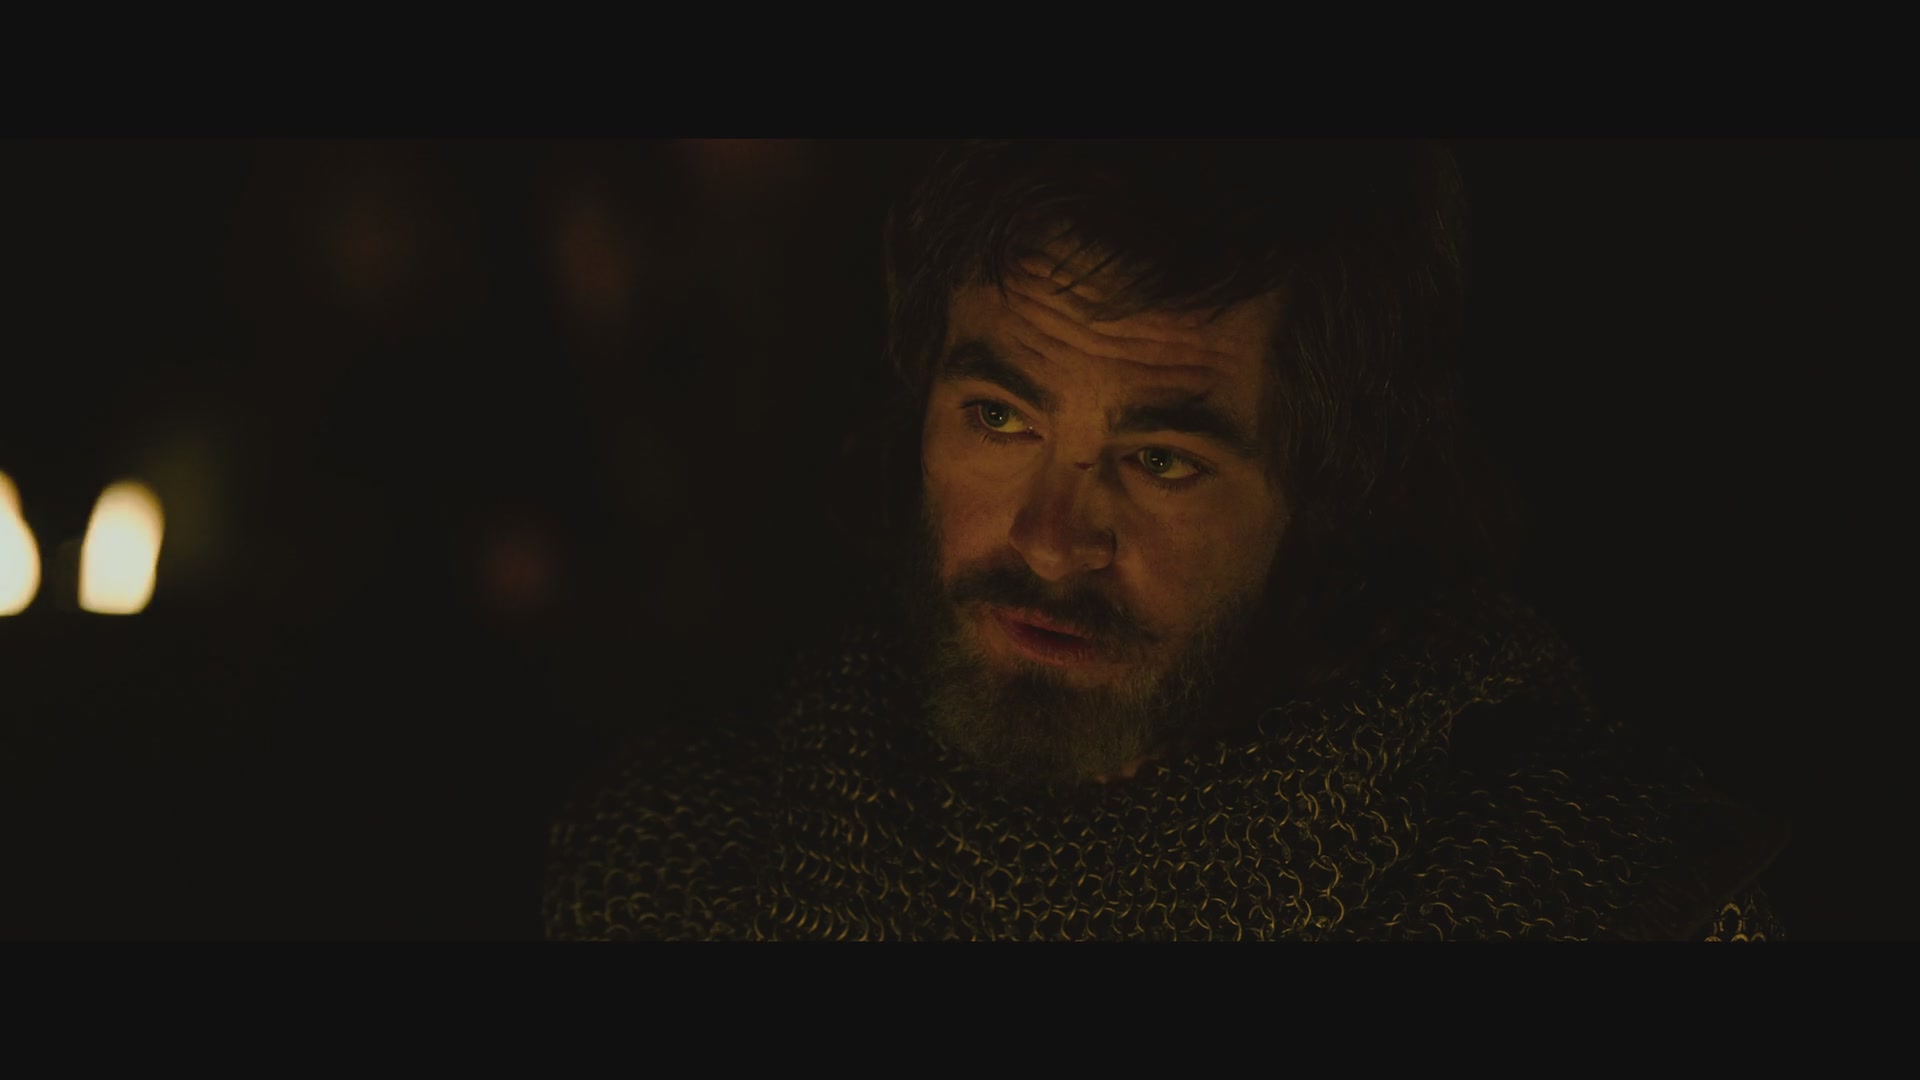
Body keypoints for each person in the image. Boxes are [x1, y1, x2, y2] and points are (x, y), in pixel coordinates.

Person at [542, 140, 1787, 941]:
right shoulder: (687, 876)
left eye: (1161, 461)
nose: (1050, 540)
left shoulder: (1584, 901)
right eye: (1001, 418)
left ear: (1329, 493)